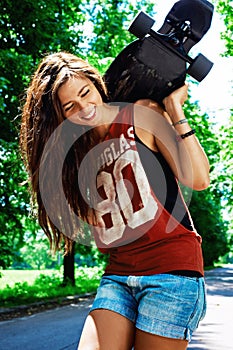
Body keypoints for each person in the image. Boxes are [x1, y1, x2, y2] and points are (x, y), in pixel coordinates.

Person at [20, 51, 210, 350]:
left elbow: (198, 179)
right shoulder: (77, 161)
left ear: (97, 83)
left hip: (171, 272)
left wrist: (173, 108)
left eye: (85, 93)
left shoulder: (140, 114)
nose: (84, 108)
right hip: (119, 274)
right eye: (71, 106)